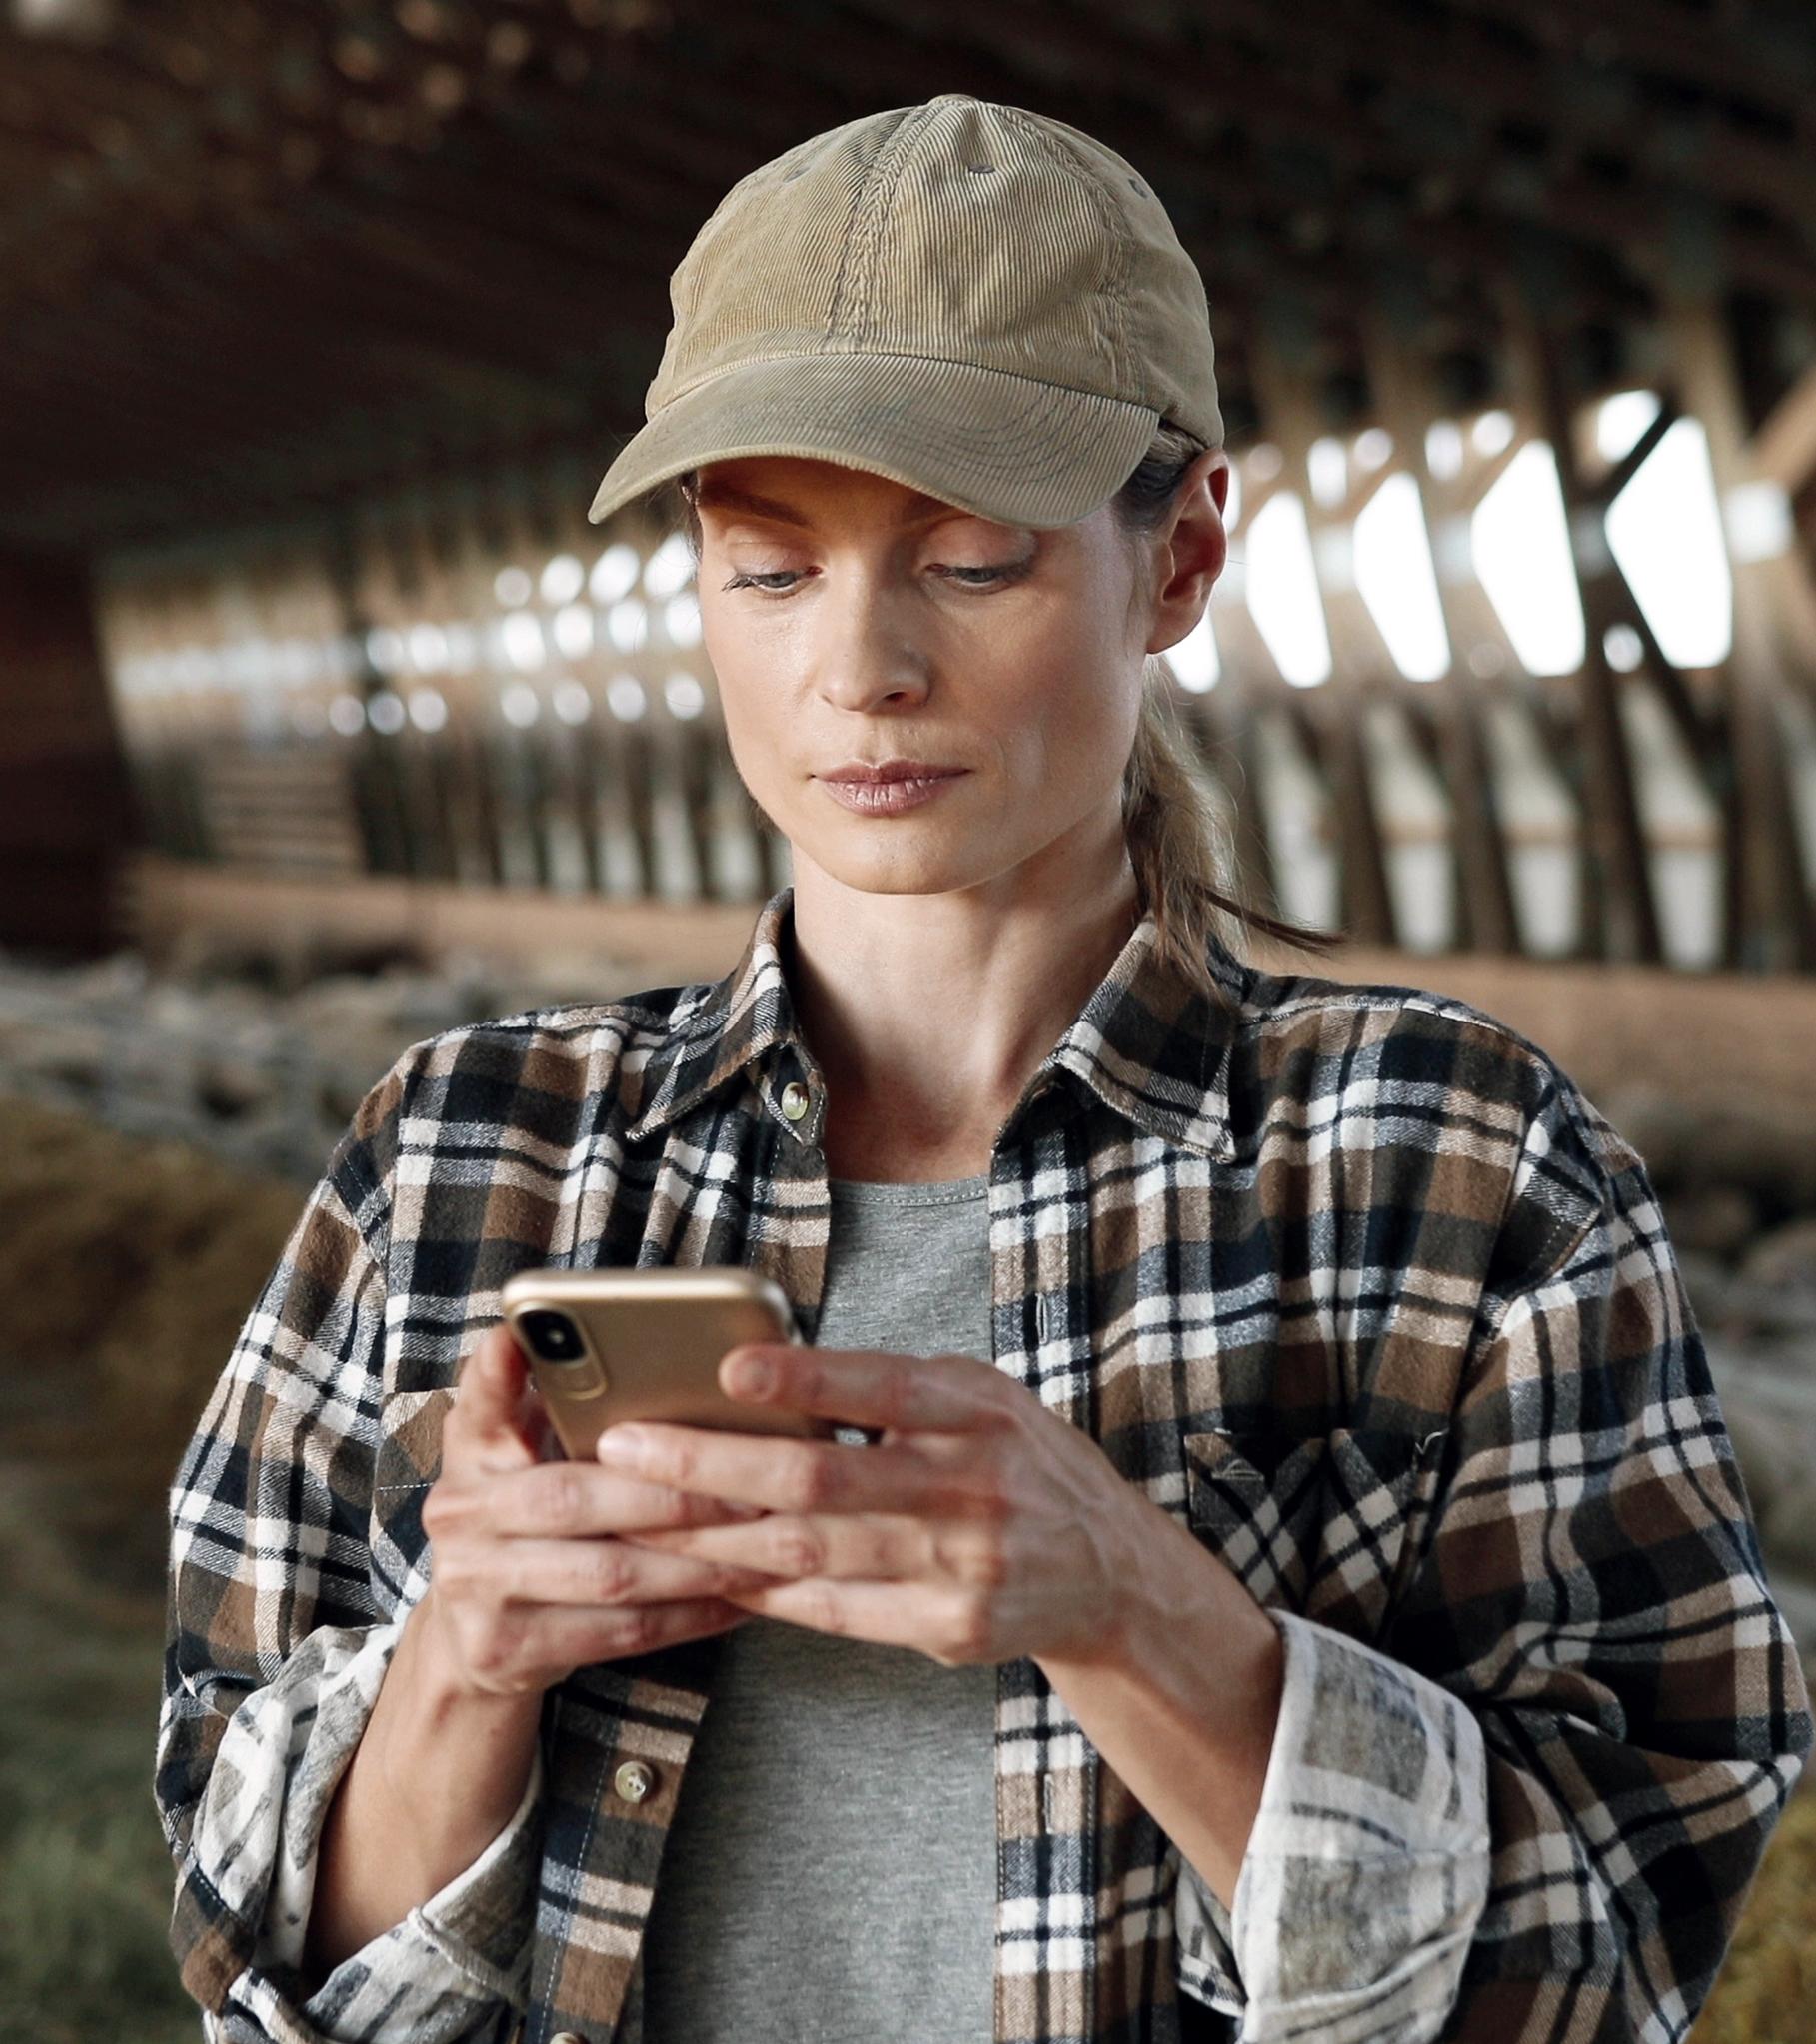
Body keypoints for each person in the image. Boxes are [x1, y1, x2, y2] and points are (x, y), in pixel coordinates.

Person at [157, 91, 1810, 2044]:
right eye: (770, 571)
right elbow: (246, 1944)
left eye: (970, 562)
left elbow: (1620, 1971)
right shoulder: (451, 1161)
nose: (859, 669)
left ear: (1182, 561)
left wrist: (1143, 1610)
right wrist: (466, 1666)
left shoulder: (1465, 1173)